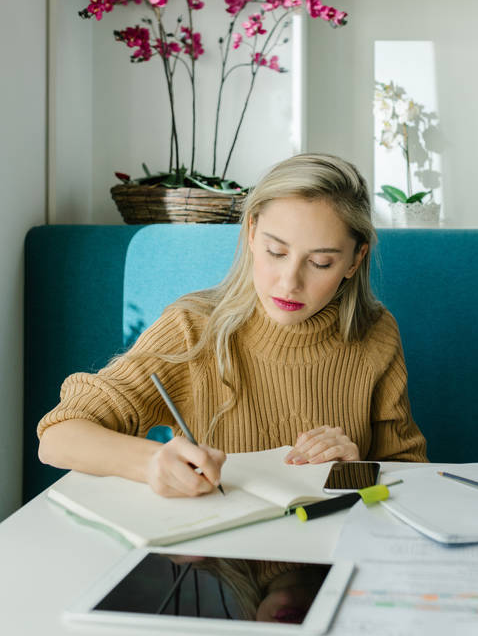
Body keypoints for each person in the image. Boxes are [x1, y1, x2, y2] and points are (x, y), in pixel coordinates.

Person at [38, 153, 427, 496]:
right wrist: (151, 462)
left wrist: (358, 470)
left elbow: (414, 480)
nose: (289, 281)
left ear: (355, 261)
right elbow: (59, 436)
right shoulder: (191, 327)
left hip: (329, 555)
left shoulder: (376, 332)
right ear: (253, 234)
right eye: (276, 251)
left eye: (320, 262)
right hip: (216, 565)